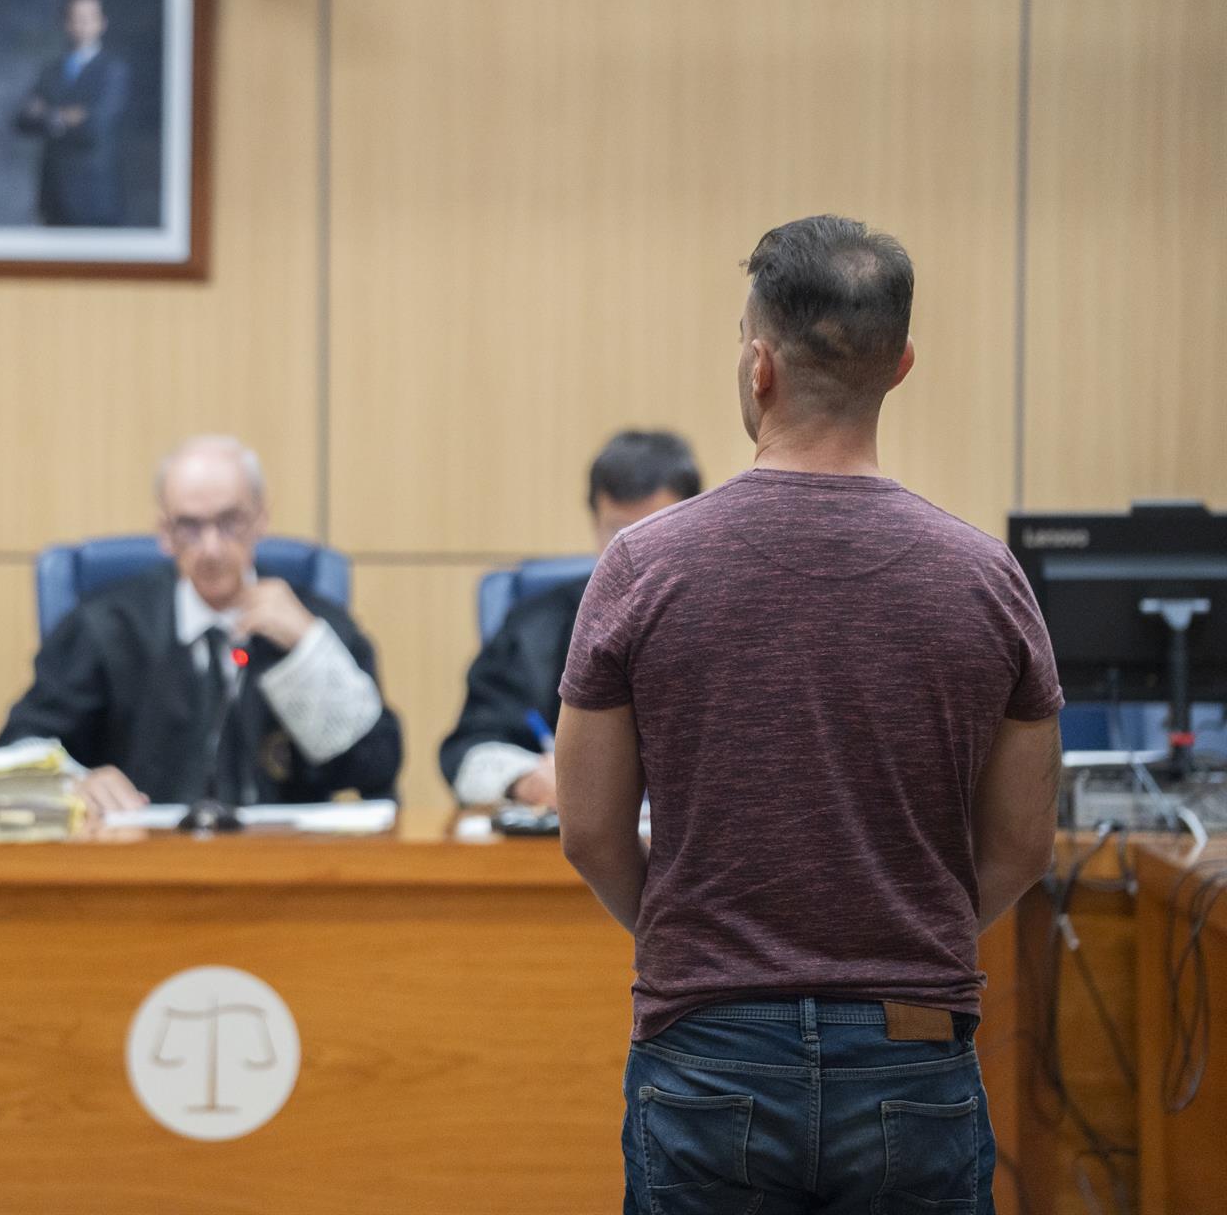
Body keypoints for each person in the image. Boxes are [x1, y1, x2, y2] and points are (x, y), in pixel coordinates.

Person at [553, 216, 1061, 1211]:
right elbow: (1023, 844)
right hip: (915, 1044)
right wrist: (911, 941)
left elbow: (589, 831)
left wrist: (686, 943)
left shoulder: (643, 568)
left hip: (707, 1044)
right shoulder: (987, 579)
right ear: (901, 365)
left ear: (759, 366)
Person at [0, 435, 402, 813]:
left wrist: (307, 650)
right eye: (189, 527)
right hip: (142, 858)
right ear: (165, 533)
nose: (211, 548)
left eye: (230, 522)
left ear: (261, 519)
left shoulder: (314, 622)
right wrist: (76, 781)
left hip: (287, 859)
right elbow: (18, 749)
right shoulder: (107, 626)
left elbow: (378, 769)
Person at [439, 430, 699, 808]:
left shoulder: (729, 622)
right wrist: (526, 779)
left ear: (695, 523)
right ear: (594, 523)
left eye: (658, 530)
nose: (638, 553)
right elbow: (468, 750)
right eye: (619, 532)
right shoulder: (534, 628)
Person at [14, 0, 129, 227]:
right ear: (66, 24)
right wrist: (66, 116)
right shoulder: (51, 70)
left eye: (89, 18)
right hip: (53, 192)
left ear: (101, 23)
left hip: (93, 194)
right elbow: (23, 120)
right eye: (76, 18)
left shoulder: (112, 70)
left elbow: (95, 125)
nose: (82, 25)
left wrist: (48, 114)